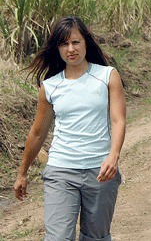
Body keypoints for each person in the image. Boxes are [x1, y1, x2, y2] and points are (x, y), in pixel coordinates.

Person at [14, 16, 126, 240]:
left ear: (86, 42)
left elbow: (118, 120)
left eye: (76, 42)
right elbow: (38, 132)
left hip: (100, 172)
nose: (71, 49)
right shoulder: (50, 86)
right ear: (57, 49)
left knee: (96, 236)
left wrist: (113, 157)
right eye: (64, 44)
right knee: (58, 237)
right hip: (61, 171)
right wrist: (22, 172)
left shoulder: (107, 76)